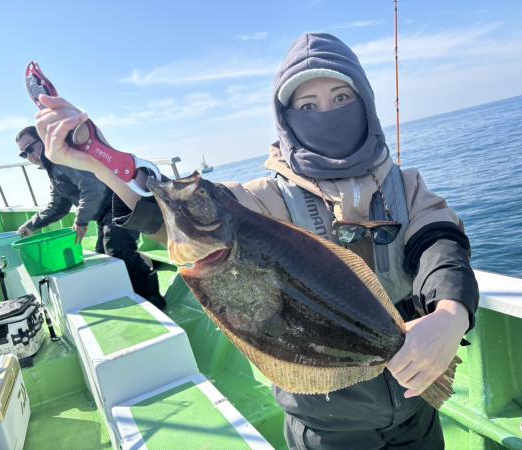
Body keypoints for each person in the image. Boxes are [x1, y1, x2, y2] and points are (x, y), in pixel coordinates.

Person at [32, 33, 478, 449]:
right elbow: (176, 217)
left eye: (341, 98)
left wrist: (451, 315)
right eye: (308, 104)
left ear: (365, 102)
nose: (326, 113)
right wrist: (99, 158)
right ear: (287, 119)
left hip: (417, 404)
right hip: (325, 425)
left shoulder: (406, 185)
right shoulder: (263, 199)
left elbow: (441, 245)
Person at [15, 126, 166, 310]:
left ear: (43, 139)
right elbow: (57, 206)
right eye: (23, 154)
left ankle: (153, 299)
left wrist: (81, 220)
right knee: (103, 256)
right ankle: (141, 271)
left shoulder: (63, 159)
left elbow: (93, 189)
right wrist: (31, 225)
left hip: (120, 202)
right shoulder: (53, 170)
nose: (29, 156)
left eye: (30, 148)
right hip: (105, 213)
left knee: (117, 250)